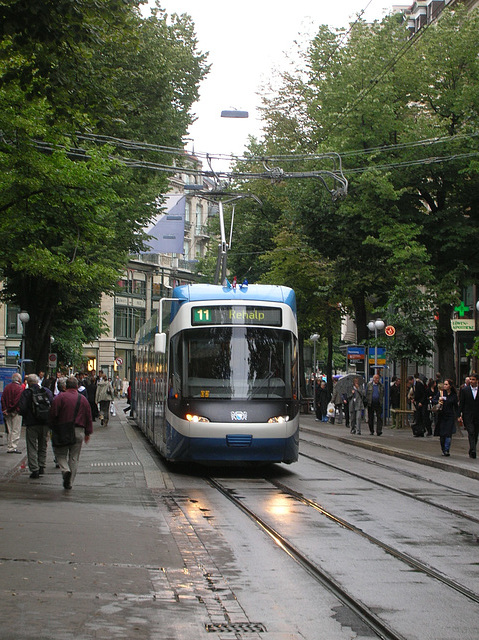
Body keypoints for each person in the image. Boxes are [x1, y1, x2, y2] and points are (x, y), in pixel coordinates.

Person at [49, 376, 93, 490]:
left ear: (65, 386)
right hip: (78, 431)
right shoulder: (83, 399)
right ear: (77, 386)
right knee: (74, 457)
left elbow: (53, 414)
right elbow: (89, 416)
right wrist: (88, 433)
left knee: (60, 454)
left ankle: (65, 470)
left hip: (62, 430)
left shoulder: (60, 398)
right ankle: (70, 482)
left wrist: (52, 428)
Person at [19, 374, 53, 478]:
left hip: (32, 423)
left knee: (32, 445)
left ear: (28, 382)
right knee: (43, 444)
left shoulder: (26, 393)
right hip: (45, 423)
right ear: (38, 381)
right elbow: (52, 403)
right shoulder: (46, 391)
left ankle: (34, 469)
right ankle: (42, 465)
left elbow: (22, 408)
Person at [434, 378, 459, 456]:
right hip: (441, 415)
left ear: (450, 386)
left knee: (448, 433)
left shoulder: (453, 395)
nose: (444, 386)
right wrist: (438, 400)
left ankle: (446, 449)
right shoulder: (441, 393)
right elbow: (433, 400)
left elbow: (456, 406)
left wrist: (458, 415)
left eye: (446, 384)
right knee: (442, 434)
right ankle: (443, 448)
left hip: (450, 416)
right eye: (444, 384)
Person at [1, 372, 24, 454]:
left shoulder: (7, 387)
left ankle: (9, 445)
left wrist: (5, 409)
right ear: (19, 379)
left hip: (7, 411)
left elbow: (2, 398)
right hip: (15, 411)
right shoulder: (20, 388)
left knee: (9, 429)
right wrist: (11, 408)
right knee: (16, 429)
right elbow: (17, 401)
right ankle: (13, 447)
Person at [459, 372, 479, 459]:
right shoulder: (465, 390)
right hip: (468, 415)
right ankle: (473, 450)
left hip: (477, 415)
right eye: (470, 379)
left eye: (473, 379)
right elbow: (462, 403)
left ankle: (472, 449)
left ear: (477, 381)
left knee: (476, 433)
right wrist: (459, 414)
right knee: (471, 432)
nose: (471, 381)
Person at [412, 371, 428, 437]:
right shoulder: (419, 384)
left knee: (420, 417)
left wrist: (420, 401)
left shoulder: (418, 384)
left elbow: (422, 394)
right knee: (419, 417)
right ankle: (420, 431)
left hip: (420, 403)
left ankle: (421, 430)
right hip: (419, 402)